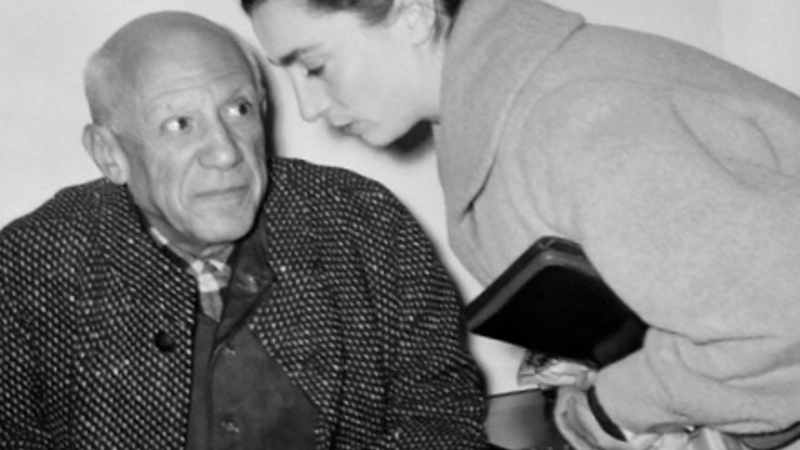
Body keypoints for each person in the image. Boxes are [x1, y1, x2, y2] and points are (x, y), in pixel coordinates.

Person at [241, 0, 800, 449]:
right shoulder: (503, 109)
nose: (308, 106)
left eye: (314, 66)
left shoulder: (573, 117)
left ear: (412, 14)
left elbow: (776, 330)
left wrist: (612, 407)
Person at [0, 11, 489, 450]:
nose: (226, 151)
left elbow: (443, 414)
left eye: (239, 110)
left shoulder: (364, 221)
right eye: (179, 124)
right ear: (109, 154)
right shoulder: (30, 265)